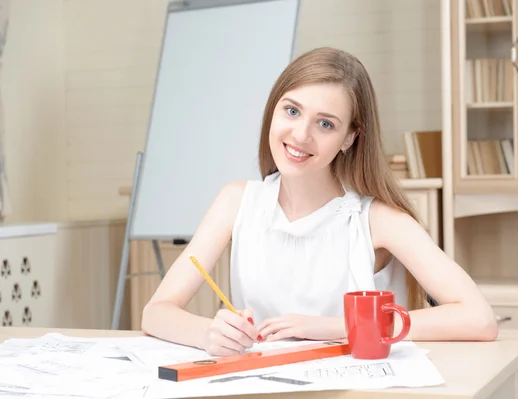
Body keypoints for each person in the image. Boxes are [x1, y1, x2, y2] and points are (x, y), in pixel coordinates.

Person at [141, 47, 498, 356]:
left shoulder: (378, 219)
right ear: (273, 109)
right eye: (292, 111)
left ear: (350, 137)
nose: (300, 135)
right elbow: (156, 312)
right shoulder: (236, 201)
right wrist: (209, 334)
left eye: (325, 124)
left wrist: (341, 326)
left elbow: (478, 318)